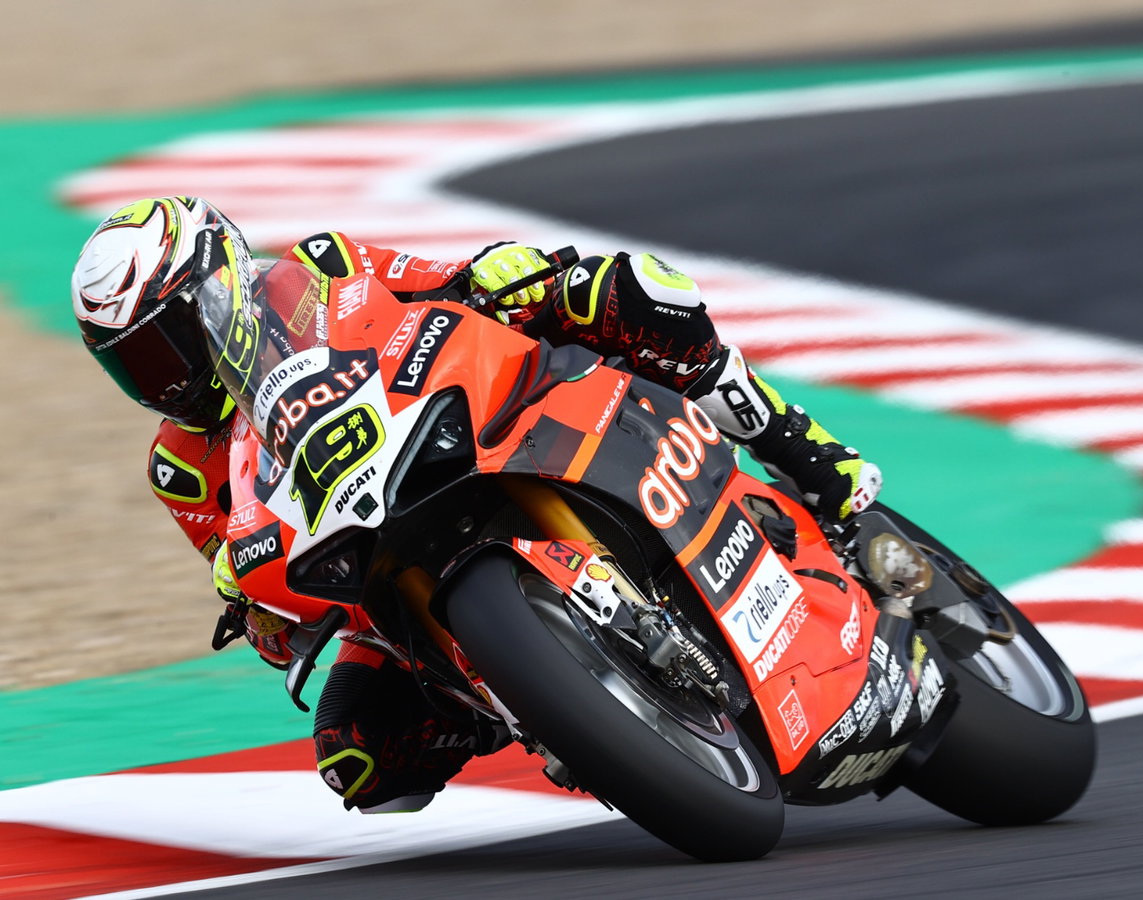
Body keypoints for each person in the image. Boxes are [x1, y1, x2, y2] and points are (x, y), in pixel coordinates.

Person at [70, 195, 882, 812]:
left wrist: (498, 275)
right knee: (359, 759)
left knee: (623, 291)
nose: (162, 378)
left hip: (460, 426)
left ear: (216, 288)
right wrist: (258, 613)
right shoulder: (181, 467)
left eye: (166, 340)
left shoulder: (322, 268)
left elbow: (438, 286)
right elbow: (251, 584)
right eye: (132, 364)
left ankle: (800, 450)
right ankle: (538, 699)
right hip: (371, 561)